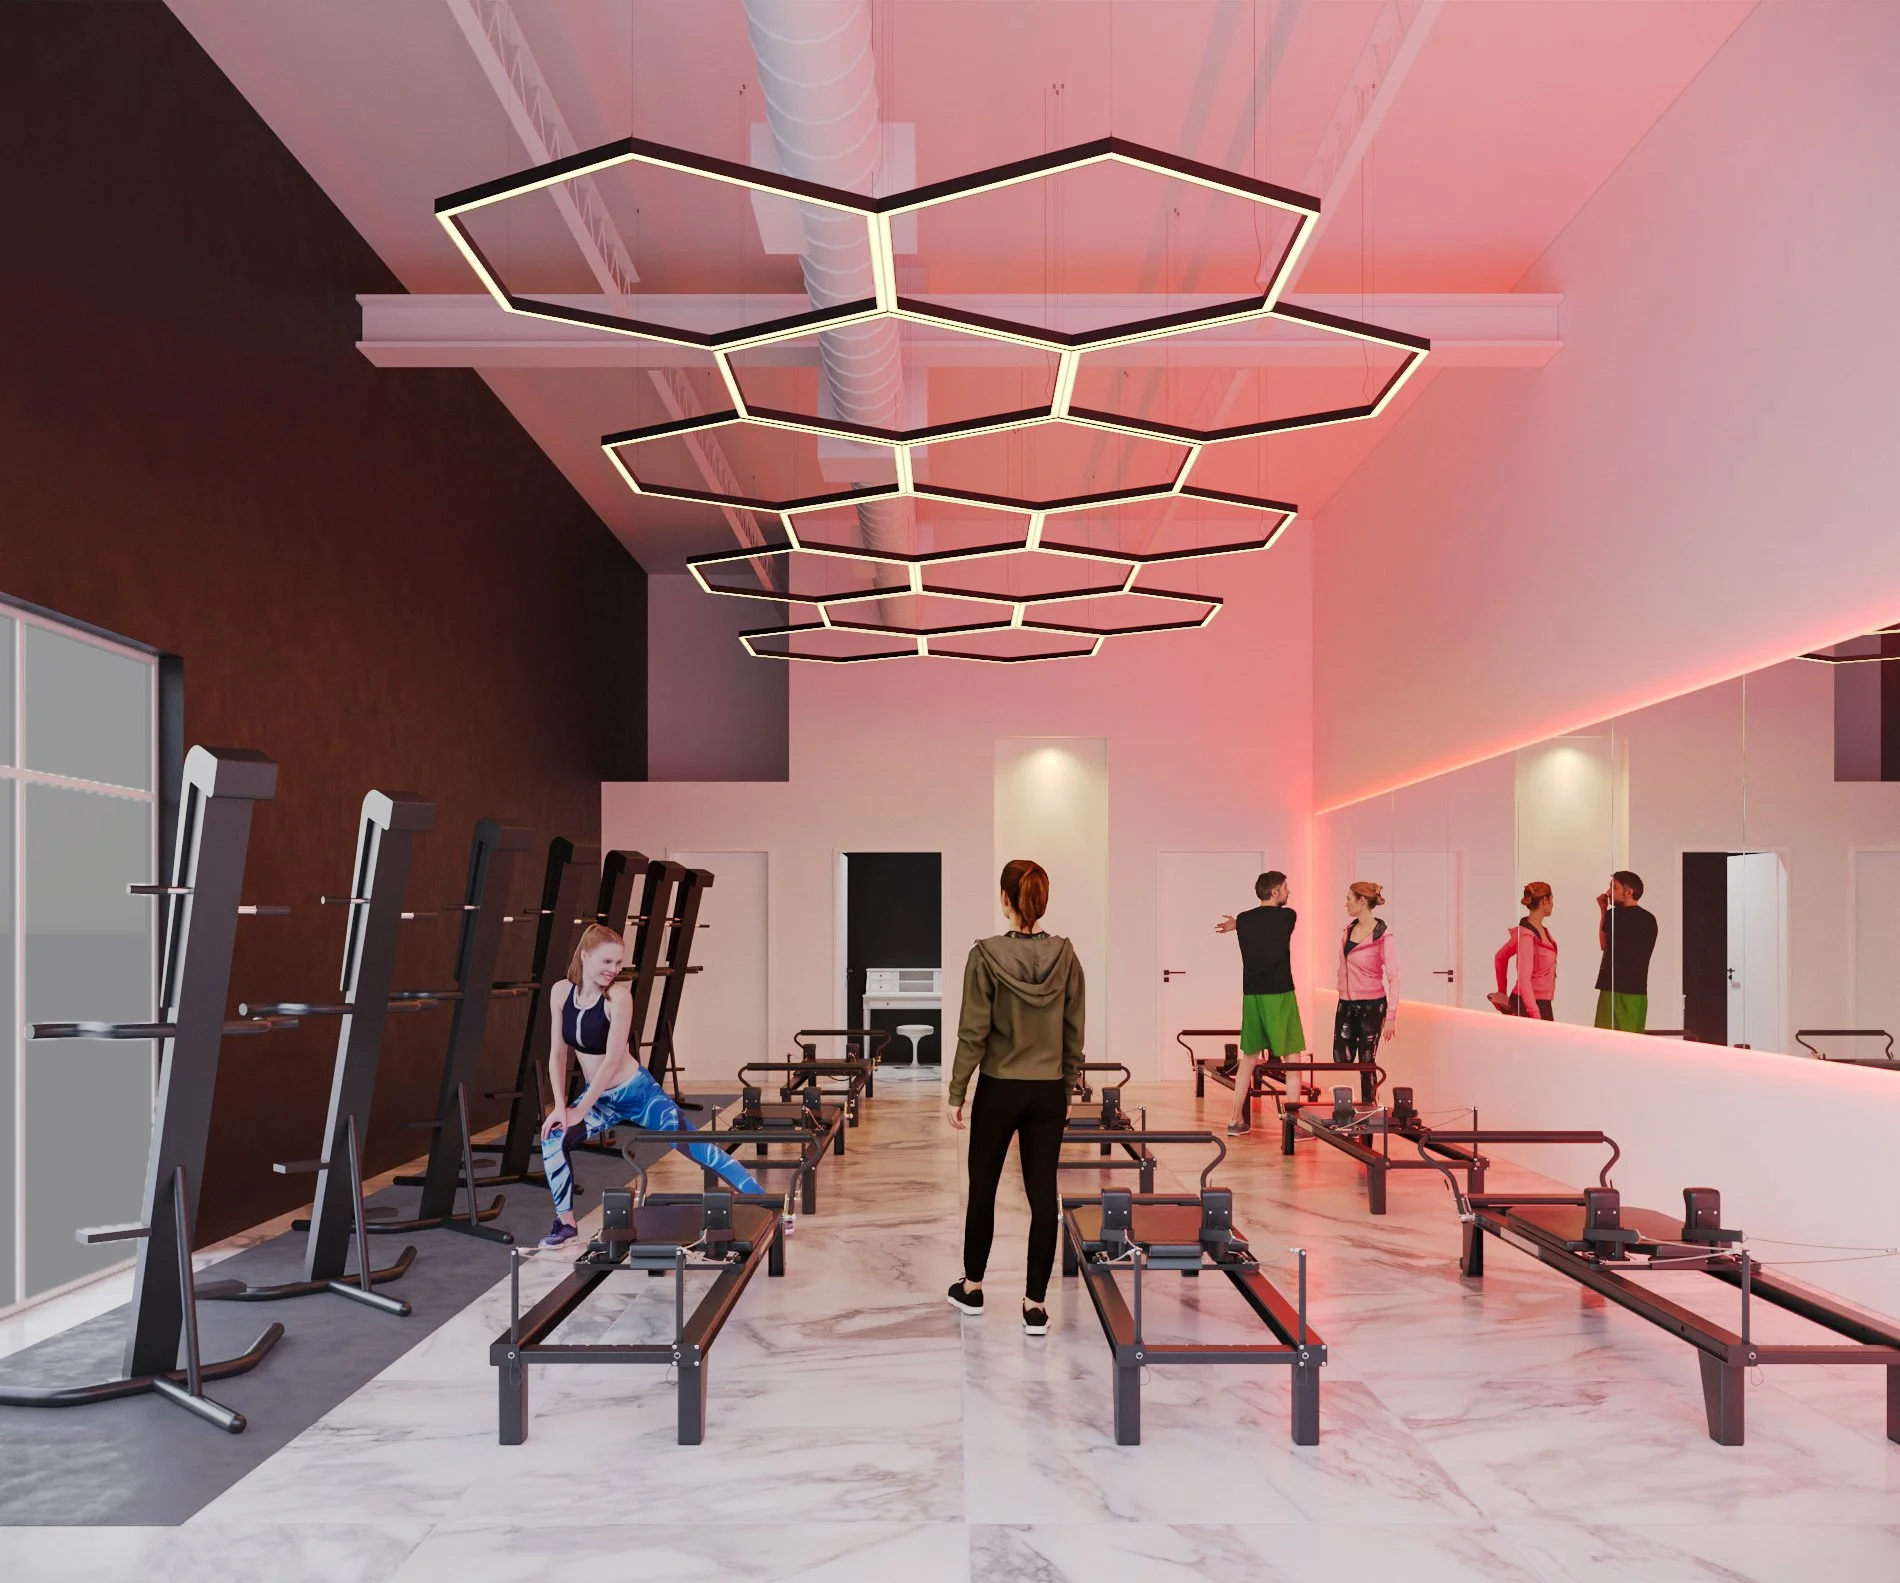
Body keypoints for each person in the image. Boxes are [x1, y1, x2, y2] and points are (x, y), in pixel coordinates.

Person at [538, 922, 762, 1250]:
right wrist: (561, 1107)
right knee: (553, 1138)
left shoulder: (618, 997)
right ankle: (565, 1223)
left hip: (637, 1093)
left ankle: (768, 1204)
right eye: (606, 962)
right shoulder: (561, 992)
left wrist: (580, 1109)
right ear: (585, 956)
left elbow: (613, 1060)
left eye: (618, 963)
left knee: (695, 1148)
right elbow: (557, 1053)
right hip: (600, 1097)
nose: (614, 970)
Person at [945, 860, 1085, 1337]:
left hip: (1000, 1088)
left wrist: (957, 1090)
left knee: (982, 1188)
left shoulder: (984, 956)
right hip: (1047, 1090)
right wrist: (1066, 1087)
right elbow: (1073, 1031)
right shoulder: (1066, 956)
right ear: (1041, 902)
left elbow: (973, 1032)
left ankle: (973, 1286)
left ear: (1006, 899)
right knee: (1043, 1197)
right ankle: (1035, 1306)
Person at [1214, 871, 1305, 1136]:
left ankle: (1234, 1121)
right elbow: (1272, 928)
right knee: (1292, 1056)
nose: (1289, 892)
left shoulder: (1245, 919)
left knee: (1249, 1057)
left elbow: (1251, 923)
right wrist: (1238, 925)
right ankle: (1295, 1125)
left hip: (1251, 995)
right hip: (1279, 993)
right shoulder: (1288, 916)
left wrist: (1236, 925)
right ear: (1275, 891)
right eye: (1285, 888)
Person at [1334, 881, 1398, 1101]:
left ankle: (1369, 1106)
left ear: (1362, 902)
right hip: (1346, 1003)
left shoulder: (1382, 935)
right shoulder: (1348, 931)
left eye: (1349, 899)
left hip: (1372, 1005)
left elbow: (1394, 976)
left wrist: (1391, 1016)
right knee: (1341, 1058)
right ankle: (1348, 1105)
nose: (1346, 904)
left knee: (1366, 1061)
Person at [1594, 870, 1658, 1033]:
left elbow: (1604, 945)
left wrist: (1604, 912)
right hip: (1626, 989)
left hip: (1626, 990)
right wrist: (1604, 911)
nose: (1608, 892)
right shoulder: (1647, 919)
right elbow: (1605, 946)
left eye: (1614, 888)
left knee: (1612, 1041)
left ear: (1629, 892)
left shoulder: (1618, 916)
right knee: (1621, 1042)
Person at [1491, 882, 1558, 1020]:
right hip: (1530, 1004)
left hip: (1539, 1002)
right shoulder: (1527, 936)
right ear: (1544, 900)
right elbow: (1523, 978)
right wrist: (1535, 1014)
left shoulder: (1536, 931)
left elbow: (1500, 957)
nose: (1553, 904)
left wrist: (1502, 992)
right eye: (1552, 899)